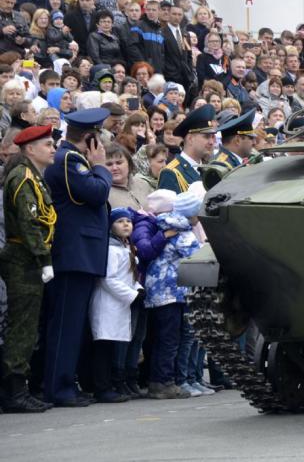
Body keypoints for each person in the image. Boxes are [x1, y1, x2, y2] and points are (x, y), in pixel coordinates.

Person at [42, 107, 112, 407]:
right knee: (66, 325)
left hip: (81, 253)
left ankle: (67, 382)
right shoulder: (71, 159)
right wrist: (101, 167)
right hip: (73, 253)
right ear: (90, 139)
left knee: (73, 324)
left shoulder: (74, 159)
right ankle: (59, 388)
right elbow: (96, 192)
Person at [0, 125, 58, 413]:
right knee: (22, 328)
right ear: (30, 149)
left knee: (27, 325)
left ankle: (18, 388)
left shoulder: (33, 176)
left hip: (28, 259)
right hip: (24, 259)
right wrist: (43, 259)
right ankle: (13, 392)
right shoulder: (23, 178)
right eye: (47, 144)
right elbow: (28, 223)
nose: (52, 148)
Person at [134, 190, 201, 399]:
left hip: (162, 291)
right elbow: (197, 257)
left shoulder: (166, 226)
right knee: (170, 339)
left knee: (166, 338)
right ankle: (163, 382)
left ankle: (162, 380)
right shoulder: (182, 232)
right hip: (171, 292)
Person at [89, 207, 141, 403]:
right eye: (120, 221)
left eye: (128, 221)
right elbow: (107, 279)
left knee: (110, 346)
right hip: (108, 305)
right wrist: (132, 295)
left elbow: (129, 275)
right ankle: (102, 388)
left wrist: (138, 289)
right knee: (103, 347)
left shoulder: (126, 247)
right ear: (111, 226)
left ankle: (109, 385)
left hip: (119, 305)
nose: (126, 224)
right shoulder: (111, 249)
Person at [158, 104, 217, 192]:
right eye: (207, 136)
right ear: (190, 139)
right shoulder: (171, 173)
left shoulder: (208, 170)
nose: (211, 142)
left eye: (213, 137)